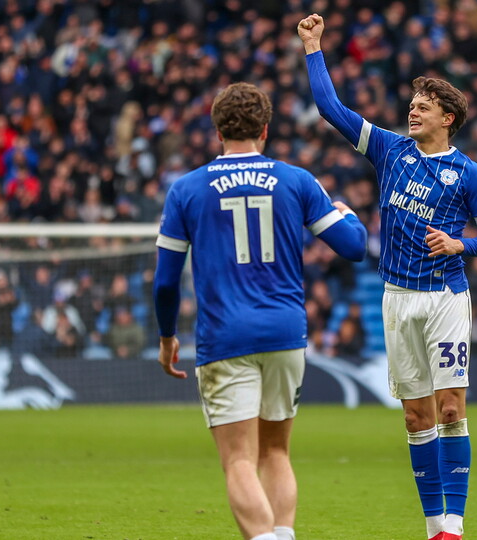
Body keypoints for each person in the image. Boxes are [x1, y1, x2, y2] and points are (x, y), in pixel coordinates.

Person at [298, 14, 477, 540]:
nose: (413, 111)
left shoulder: (469, 174)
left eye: (424, 106)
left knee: (450, 407)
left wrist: (462, 243)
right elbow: (330, 109)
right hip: (397, 298)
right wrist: (313, 47)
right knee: (417, 418)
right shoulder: (390, 150)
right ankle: (432, 524)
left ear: (449, 118)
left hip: (445, 296)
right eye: (412, 105)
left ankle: (453, 527)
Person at [153, 82, 368, 540]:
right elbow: (354, 247)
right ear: (265, 129)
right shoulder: (297, 180)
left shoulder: (186, 189)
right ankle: (283, 534)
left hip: (225, 336)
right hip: (285, 332)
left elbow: (166, 281)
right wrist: (348, 214)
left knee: (238, 460)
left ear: (217, 131)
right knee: (276, 454)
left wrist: (167, 335)